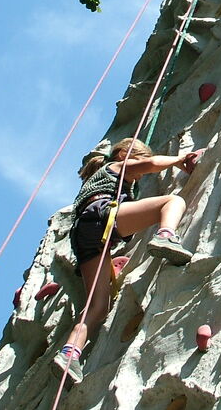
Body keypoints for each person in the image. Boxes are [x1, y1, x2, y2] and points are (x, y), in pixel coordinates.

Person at [51, 138, 198, 385]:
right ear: (124, 154)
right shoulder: (115, 168)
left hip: (86, 238)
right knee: (173, 202)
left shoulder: (101, 178)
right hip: (101, 217)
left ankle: (69, 353)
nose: (138, 174)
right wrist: (180, 160)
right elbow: (150, 164)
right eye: (135, 159)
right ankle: (166, 236)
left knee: (98, 307)